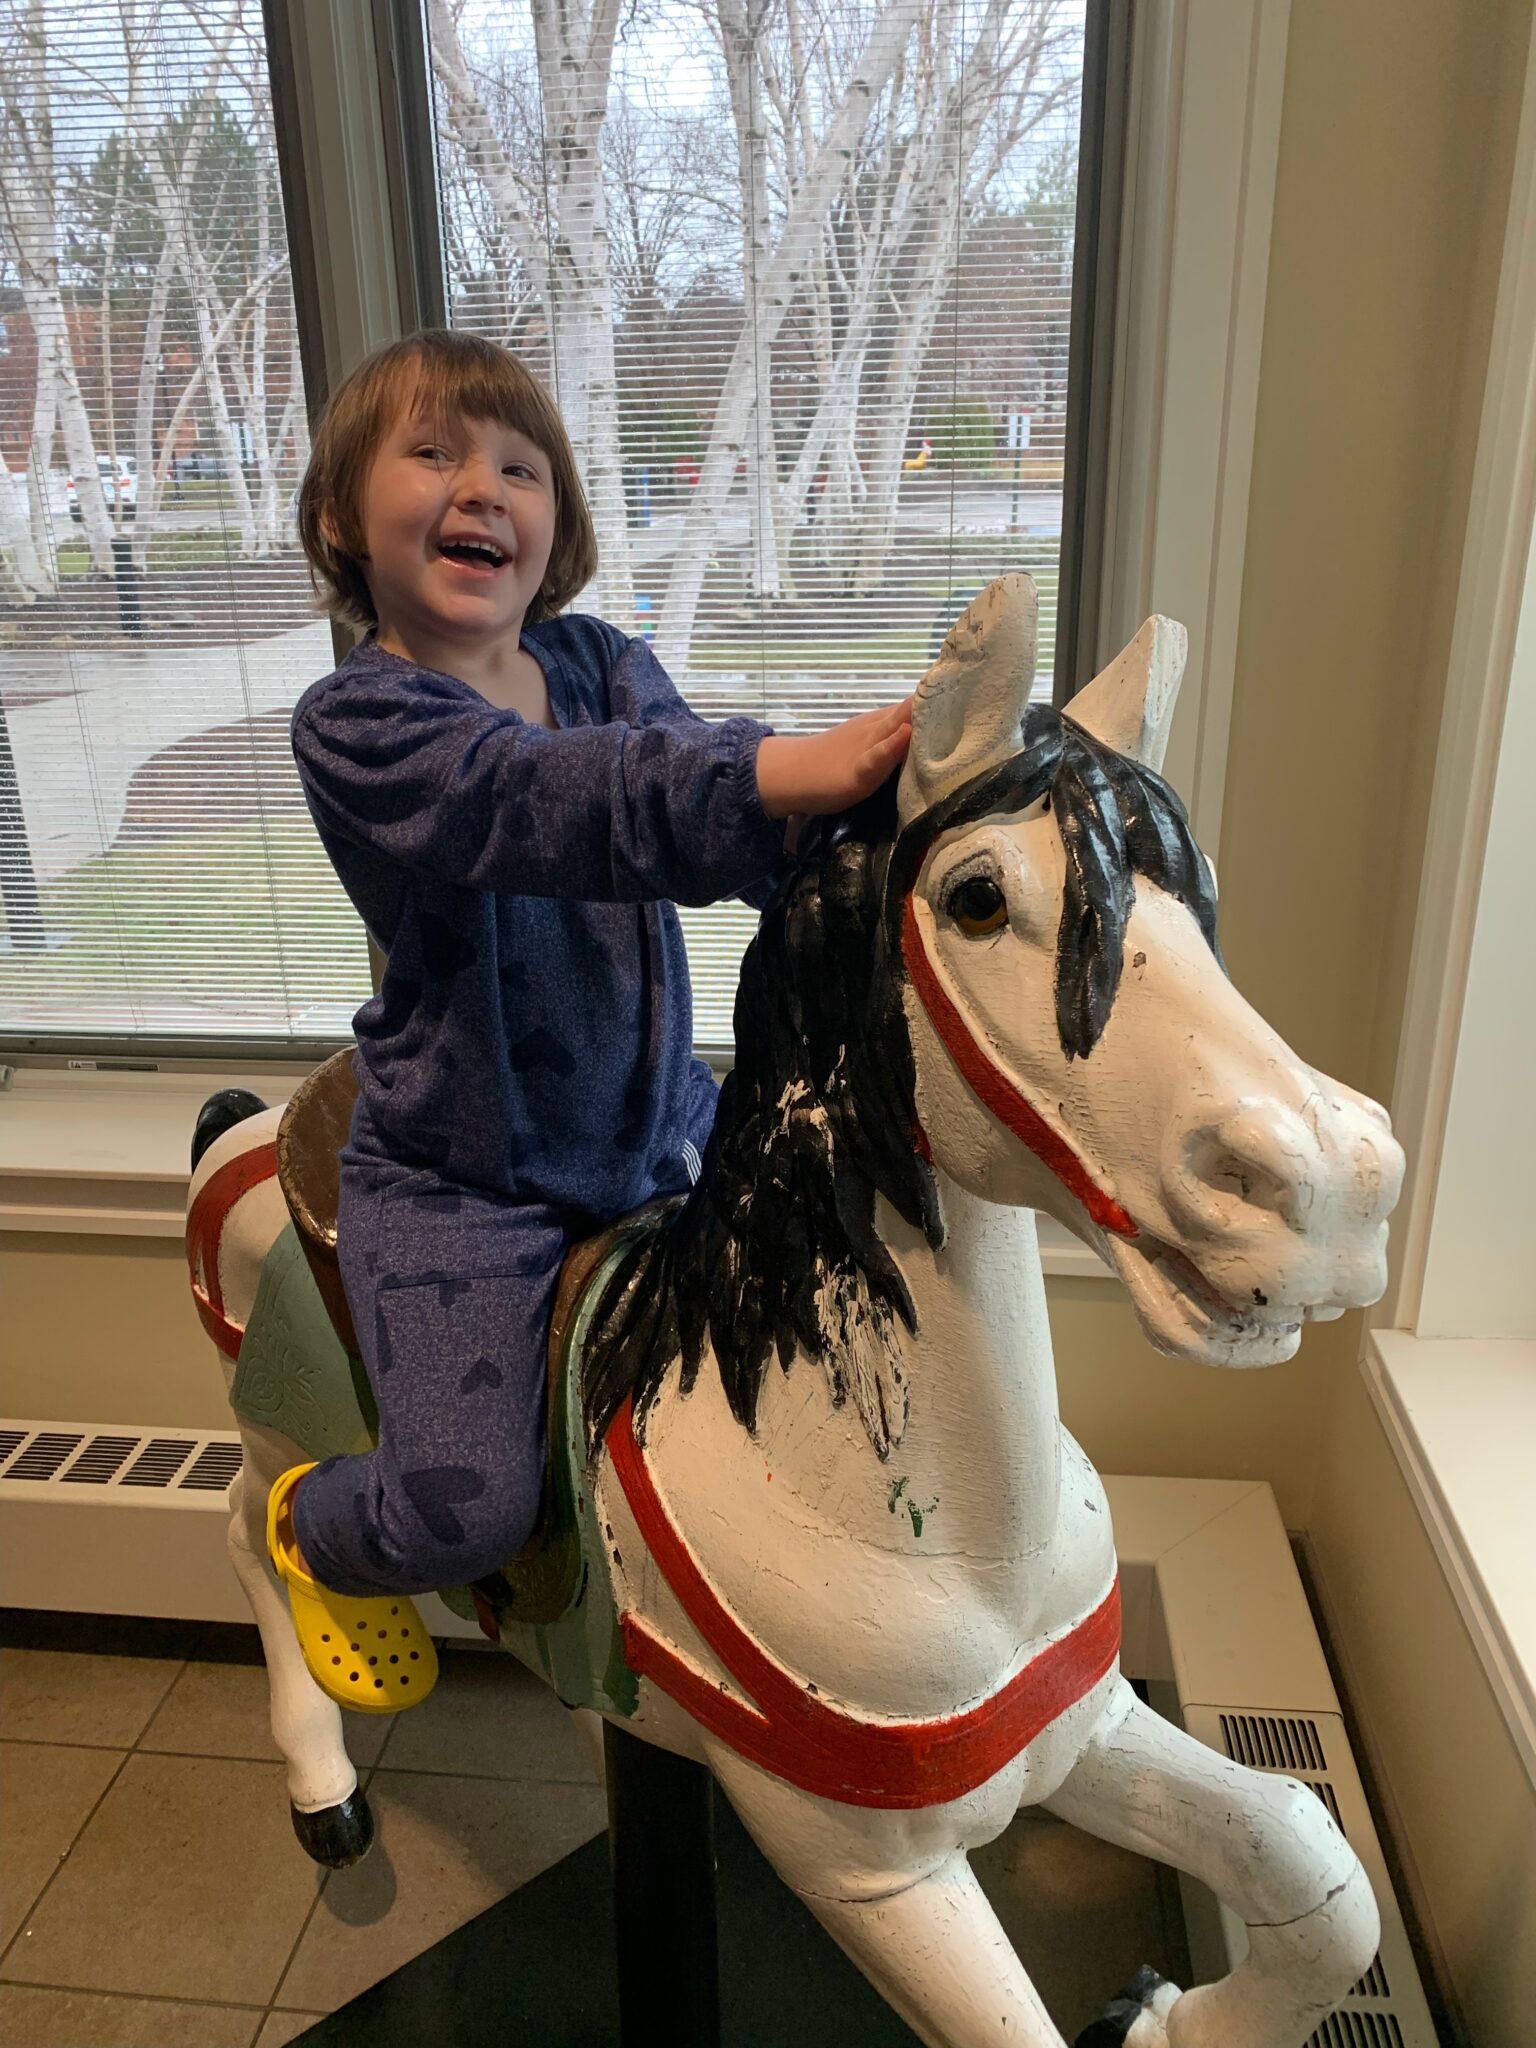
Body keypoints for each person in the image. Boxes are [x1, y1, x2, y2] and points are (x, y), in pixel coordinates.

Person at [267, 329, 914, 1713]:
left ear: (555, 520)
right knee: (465, 1509)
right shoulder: (360, 722)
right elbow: (542, 804)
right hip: (464, 1180)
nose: (481, 487)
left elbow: (697, 811)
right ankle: (308, 1529)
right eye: (432, 452)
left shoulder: (601, 663)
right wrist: (787, 767)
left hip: (650, 1127)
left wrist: (859, 845)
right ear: (339, 518)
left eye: (520, 464)